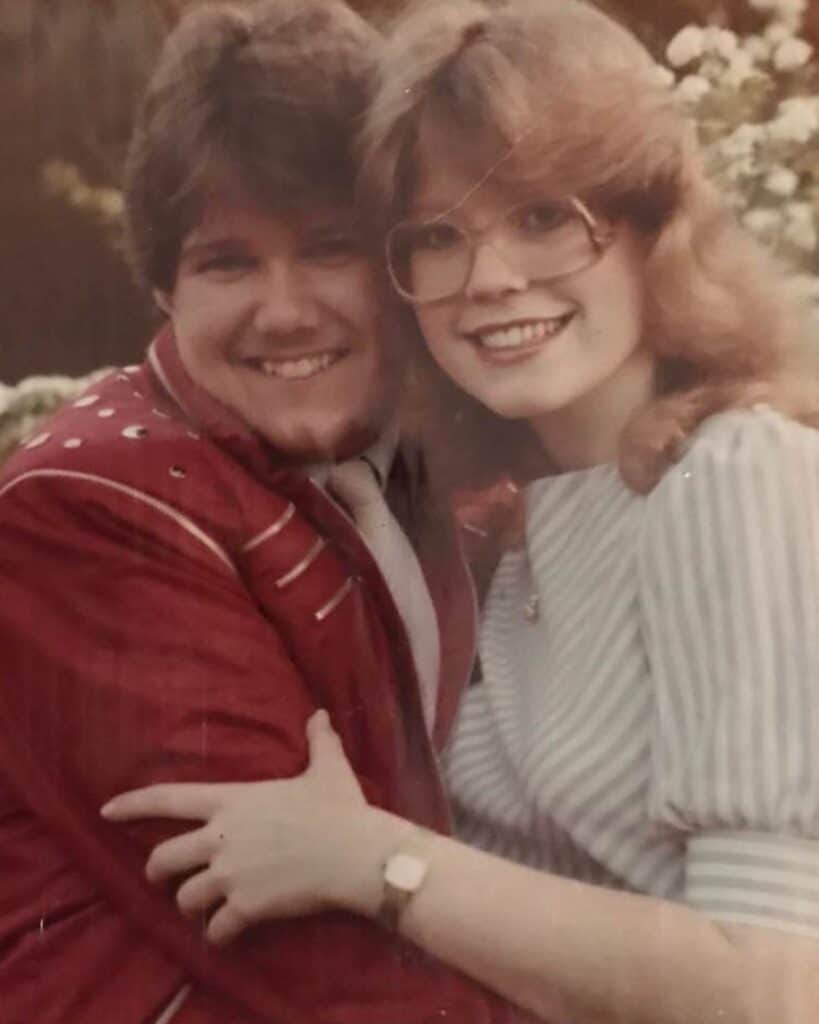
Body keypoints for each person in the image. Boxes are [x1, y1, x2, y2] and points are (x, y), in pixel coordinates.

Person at [103, 0, 819, 1022]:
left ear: (654, 230)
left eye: (544, 217)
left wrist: (371, 860)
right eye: (437, 236)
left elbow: (775, 989)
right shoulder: (523, 521)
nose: (490, 279)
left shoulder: (738, 479)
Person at [0, 2, 529, 1022]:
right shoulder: (92, 509)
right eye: (226, 261)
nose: (284, 310)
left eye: (330, 247)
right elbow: (328, 970)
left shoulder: (421, 457)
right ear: (163, 283)